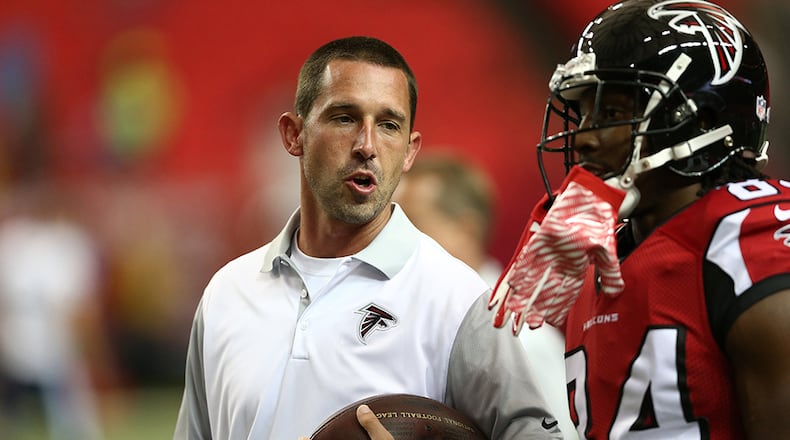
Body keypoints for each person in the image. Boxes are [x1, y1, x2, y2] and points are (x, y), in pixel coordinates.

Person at [173, 36, 561, 440]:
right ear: (293, 135)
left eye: (389, 125)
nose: (367, 146)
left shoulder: (457, 299)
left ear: (410, 152)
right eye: (344, 118)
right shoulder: (226, 294)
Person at [488, 0, 790, 438]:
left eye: (611, 114)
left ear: (699, 122)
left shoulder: (752, 236)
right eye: (584, 114)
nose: (586, 137)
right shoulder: (593, 252)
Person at [394, 152, 577, 438]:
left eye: (413, 222)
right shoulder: (401, 317)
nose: (397, 237)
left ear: (466, 229)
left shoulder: (523, 338)